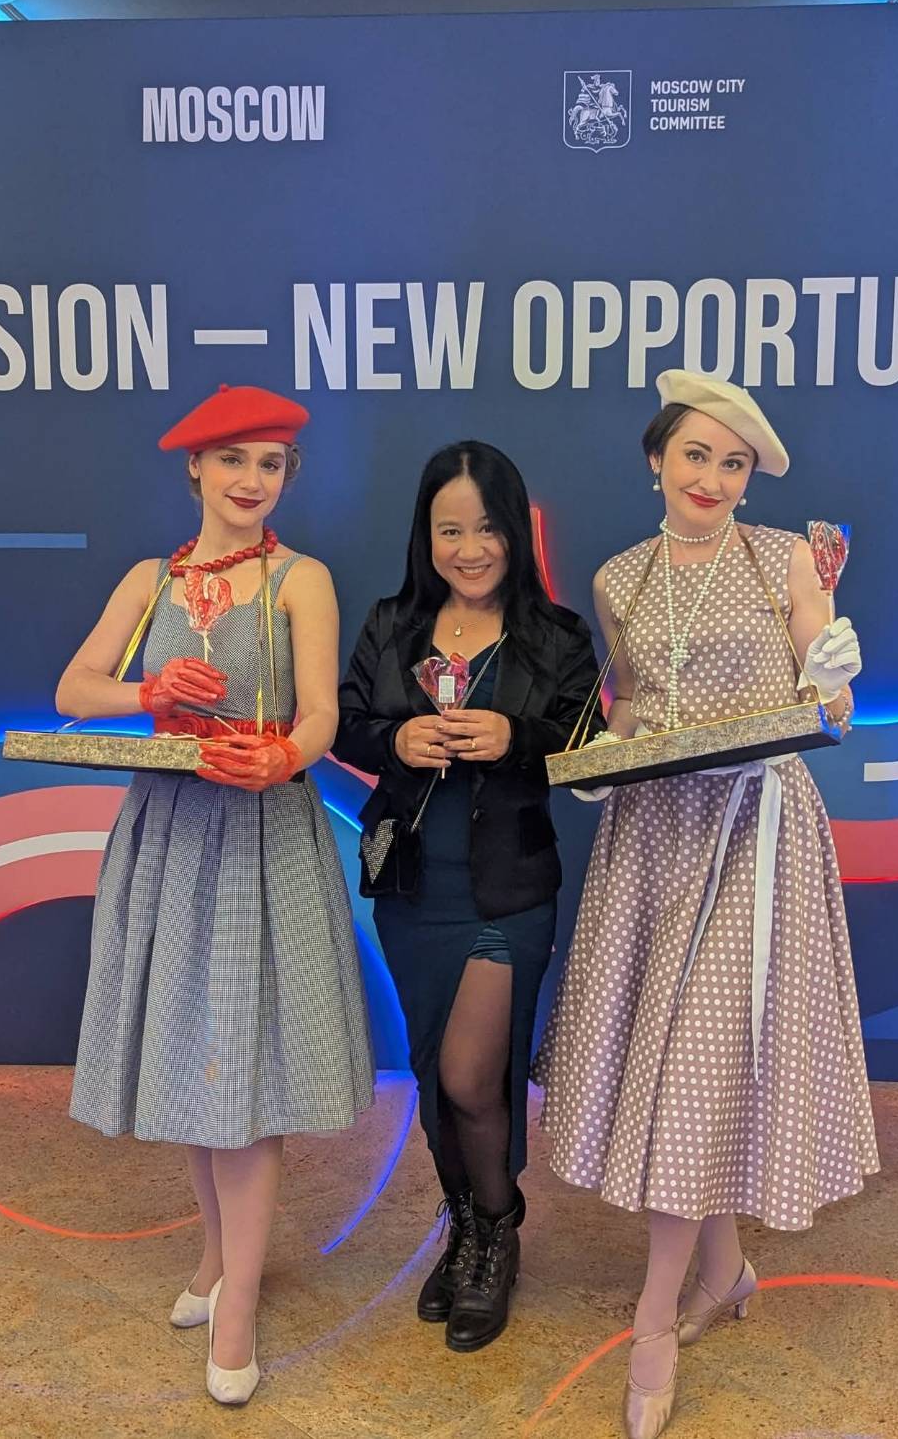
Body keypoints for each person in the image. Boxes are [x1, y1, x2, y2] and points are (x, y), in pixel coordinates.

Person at [535, 371, 878, 1438]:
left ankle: (653, 1319)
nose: (713, 478)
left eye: (733, 464)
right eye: (697, 455)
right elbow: (630, 707)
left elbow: (831, 705)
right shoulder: (618, 578)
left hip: (757, 831)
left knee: (701, 1060)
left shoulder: (785, 558)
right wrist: (603, 761)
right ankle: (725, 1272)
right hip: (656, 837)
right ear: (657, 459)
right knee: (695, 1062)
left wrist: (834, 674)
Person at [56, 383, 374, 1406]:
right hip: (169, 833)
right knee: (194, 1061)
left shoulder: (301, 579)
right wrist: (148, 694)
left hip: (260, 835)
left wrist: (283, 756)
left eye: (270, 462)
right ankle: (216, 1256)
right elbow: (73, 690)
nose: (251, 479)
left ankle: (237, 1303)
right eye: (232, 458)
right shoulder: (149, 579)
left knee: (243, 1078)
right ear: (193, 466)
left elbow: (321, 714)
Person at [335, 440, 601, 1353]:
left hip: (507, 892)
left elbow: (586, 743)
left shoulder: (557, 635)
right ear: (427, 536)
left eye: (487, 528)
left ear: (514, 531)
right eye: (450, 530)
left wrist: (515, 737)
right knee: (432, 1079)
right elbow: (348, 724)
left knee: (469, 1075)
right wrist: (396, 741)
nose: (470, 548)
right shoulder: (392, 624)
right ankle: (467, 1230)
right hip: (411, 888)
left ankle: (499, 1229)